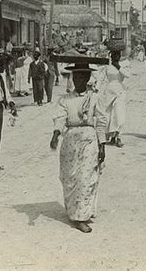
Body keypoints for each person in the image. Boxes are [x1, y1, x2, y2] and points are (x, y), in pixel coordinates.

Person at [50, 60, 107, 233]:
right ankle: (74, 212)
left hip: (89, 140)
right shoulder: (65, 99)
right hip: (70, 140)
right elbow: (60, 118)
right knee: (70, 177)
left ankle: (81, 217)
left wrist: (102, 145)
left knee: (86, 177)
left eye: (82, 76)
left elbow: (102, 121)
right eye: (76, 76)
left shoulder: (95, 98)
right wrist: (55, 134)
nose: (78, 80)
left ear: (88, 77)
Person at [96, 50, 130, 148]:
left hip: (120, 91)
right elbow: (101, 78)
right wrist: (97, 88)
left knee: (119, 114)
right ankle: (112, 137)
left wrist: (118, 66)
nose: (116, 57)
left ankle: (118, 136)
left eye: (118, 55)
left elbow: (127, 75)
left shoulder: (124, 65)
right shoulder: (107, 66)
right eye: (114, 55)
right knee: (109, 115)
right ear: (111, 55)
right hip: (109, 91)